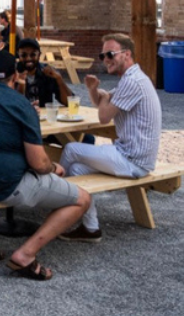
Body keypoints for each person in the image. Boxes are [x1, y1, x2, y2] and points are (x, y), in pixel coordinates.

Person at [0, 51, 91, 281]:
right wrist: (53, 168)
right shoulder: (22, 105)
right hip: (5, 185)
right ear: (15, 75)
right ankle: (25, 255)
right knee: (83, 199)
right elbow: (38, 163)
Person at [59, 34, 161, 243]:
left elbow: (104, 117)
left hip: (132, 160)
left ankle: (55, 200)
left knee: (71, 149)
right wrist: (93, 89)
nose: (105, 59)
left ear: (127, 54)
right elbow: (102, 103)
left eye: (110, 54)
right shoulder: (132, 78)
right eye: (103, 55)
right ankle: (91, 228)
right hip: (132, 157)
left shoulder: (132, 81)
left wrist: (105, 99)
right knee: (77, 170)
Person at [15, 38, 70, 107]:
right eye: (24, 55)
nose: (28, 58)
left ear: (39, 55)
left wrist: (59, 79)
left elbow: (69, 102)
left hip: (44, 115)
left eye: (33, 55)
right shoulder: (12, 73)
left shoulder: (47, 72)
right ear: (18, 55)